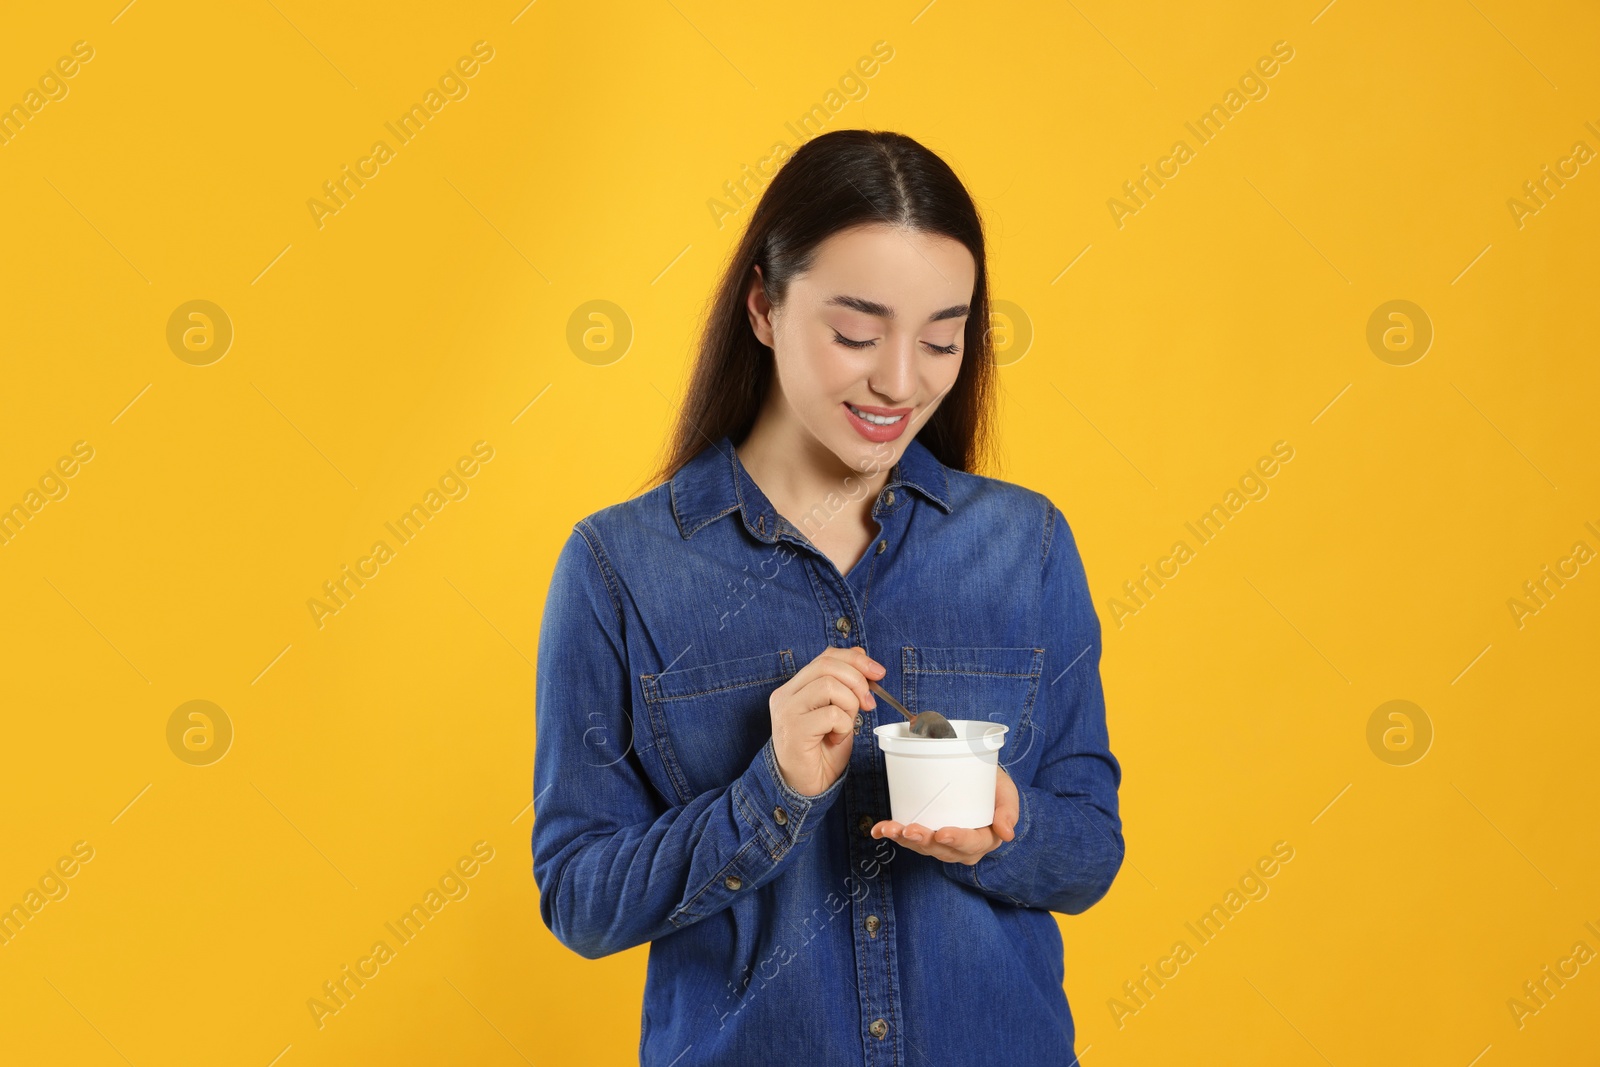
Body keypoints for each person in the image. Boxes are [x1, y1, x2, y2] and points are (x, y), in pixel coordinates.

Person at [532, 128, 1123, 1066]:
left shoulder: (1026, 545)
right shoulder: (620, 567)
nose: (900, 380)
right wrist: (769, 791)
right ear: (764, 305)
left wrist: (1009, 824)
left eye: (942, 338)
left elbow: (1092, 848)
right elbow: (580, 898)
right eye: (856, 333)